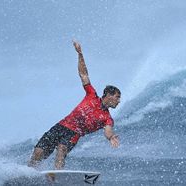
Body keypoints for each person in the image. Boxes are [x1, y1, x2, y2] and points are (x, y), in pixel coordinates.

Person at [28, 40, 121, 170]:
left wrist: (111, 137)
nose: (119, 101)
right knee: (38, 153)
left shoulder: (107, 118)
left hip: (74, 133)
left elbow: (108, 130)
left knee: (62, 149)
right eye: (117, 97)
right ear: (108, 95)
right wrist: (80, 54)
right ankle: (29, 174)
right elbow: (83, 74)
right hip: (61, 126)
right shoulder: (91, 95)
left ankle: (58, 177)